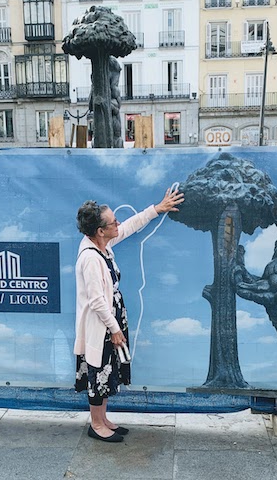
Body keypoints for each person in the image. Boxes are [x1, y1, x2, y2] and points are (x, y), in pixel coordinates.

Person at [74, 188, 184, 442]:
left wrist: (157, 208)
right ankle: (96, 424)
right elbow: (97, 302)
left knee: (107, 371)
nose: (118, 224)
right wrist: (114, 329)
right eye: (113, 222)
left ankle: (103, 419)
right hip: (100, 326)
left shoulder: (102, 244)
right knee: (98, 373)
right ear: (100, 231)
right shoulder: (91, 258)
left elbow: (131, 226)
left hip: (109, 322)